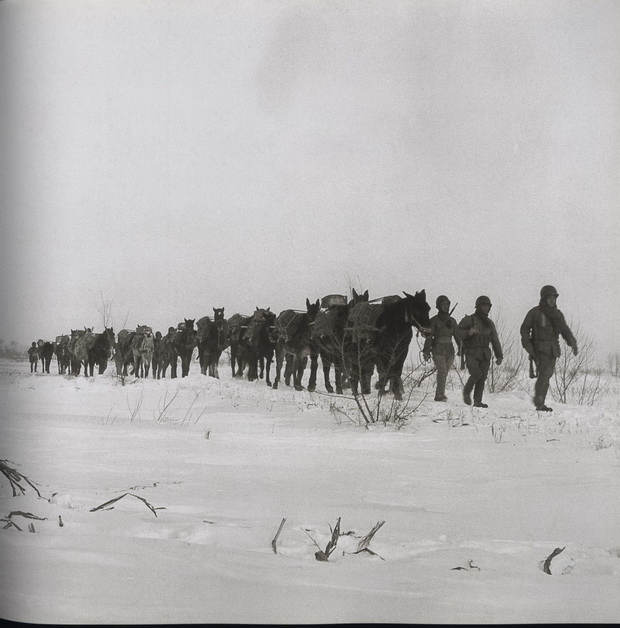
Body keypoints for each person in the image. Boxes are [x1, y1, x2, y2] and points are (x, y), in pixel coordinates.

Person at [520, 285, 578, 412]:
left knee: (547, 375)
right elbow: (524, 328)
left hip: (553, 349)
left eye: (554, 298)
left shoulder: (557, 314)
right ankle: (539, 400)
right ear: (544, 299)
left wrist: (572, 343)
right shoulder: (535, 312)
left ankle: (540, 402)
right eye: (549, 298)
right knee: (545, 373)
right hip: (539, 348)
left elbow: (564, 330)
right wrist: (528, 346)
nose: (552, 300)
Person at [457, 296, 503, 408]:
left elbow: (495, 340)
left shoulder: (489, 323)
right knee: (476, 374)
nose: (486, 308)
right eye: (484, 305)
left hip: (485, 353)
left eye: (488, 306)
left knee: (482, 377)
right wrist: (469, 332)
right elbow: (458, 332)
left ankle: (478, 401)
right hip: (471, 352)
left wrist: (499, 355)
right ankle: (466, 392)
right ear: (478, 307)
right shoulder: (470, 319)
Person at [422, 295, 457, 402]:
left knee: (445, 372)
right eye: (443, 304)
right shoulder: (433, 321)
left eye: (447, 304)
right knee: (442, 370)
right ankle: (439, 395)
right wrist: (426, 351)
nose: (446, 307)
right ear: (438, 306)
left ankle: (440, 393)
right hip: (438, 349)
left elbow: (458, 336)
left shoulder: (452, 321)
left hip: (450, 350)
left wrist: (462, 347)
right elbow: (429, 337)